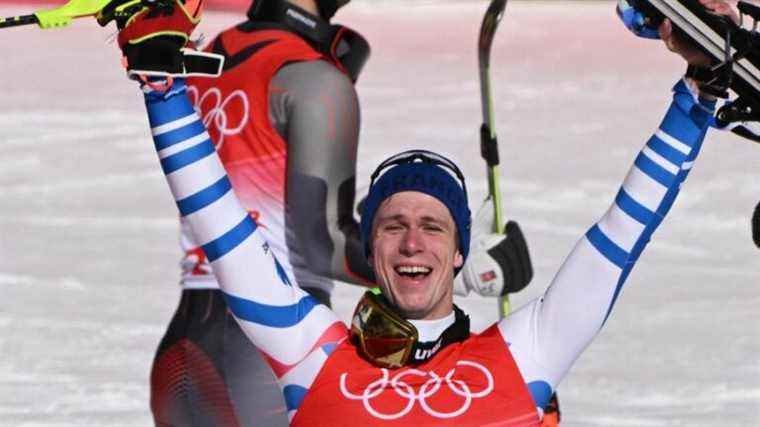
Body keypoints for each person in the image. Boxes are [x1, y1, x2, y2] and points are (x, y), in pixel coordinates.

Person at [103, 0, 729, 423]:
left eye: (433, 226)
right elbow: (222, 227)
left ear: (459, 252)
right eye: (392, 225)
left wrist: (695, 101)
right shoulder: (312, 354)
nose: (411, 242)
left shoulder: (523, 353)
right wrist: (162, 93)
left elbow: (623, 231)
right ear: (370, 246)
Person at [101, 0, 535, 425]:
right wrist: (459, 269)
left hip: (186, 348)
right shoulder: (314, 78)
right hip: (264, 360)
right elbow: (319, 246)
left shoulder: (212, 55)